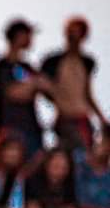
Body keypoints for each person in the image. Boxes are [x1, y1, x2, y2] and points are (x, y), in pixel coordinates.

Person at [40, 17, 107, 152]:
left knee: (86, 150)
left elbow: (87, 93)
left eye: (77, 33)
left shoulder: (86, 62)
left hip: (82, 116)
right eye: (71, 32)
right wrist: (59, 100)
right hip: (65, 117)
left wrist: (101, 118)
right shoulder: (53, 61)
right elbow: (43, 87)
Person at [0, 18, 52, 160]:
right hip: (11, 129)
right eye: (28, 34)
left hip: (32, 128)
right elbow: (13, 93)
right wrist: (34, 84)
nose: (31, 39)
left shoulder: (27, 67)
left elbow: (46, 90)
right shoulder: (1, 65)